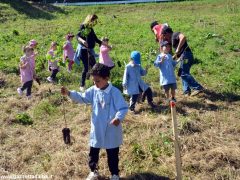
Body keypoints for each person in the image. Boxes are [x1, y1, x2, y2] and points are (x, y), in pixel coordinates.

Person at [61, 63, 128, 180]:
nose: (95, 83)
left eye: (97, 81)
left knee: (112, 154)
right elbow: (82, 97)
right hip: (97, 126)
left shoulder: (114, 92)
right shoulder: (93, 90)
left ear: (106, 78)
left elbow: (122, 108)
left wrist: (118, 118)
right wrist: (69, 93)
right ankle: (93, 171)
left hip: (111, 128)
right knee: (93, 151)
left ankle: (115, 174)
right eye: (94, 81)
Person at [161, 26, 204, 96]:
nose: (165, 38)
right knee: (182, 73)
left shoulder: (175, 34)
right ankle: (186, 91)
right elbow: (175, 53)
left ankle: (197, 87)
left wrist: (178, 48)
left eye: (165, 35)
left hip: (186, 55)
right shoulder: (171, 40)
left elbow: (183, 37)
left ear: (167, 33)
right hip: (183, 57)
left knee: (183, 73)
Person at [74, 14, 110, 91]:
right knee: (86, 68)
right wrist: (83, 41)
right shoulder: (83, 26)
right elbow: (77, 36)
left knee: (95, 67)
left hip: (90, 51)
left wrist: (107, 45)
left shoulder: (91, 29)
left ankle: (96, 82)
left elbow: (96, 39)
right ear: (90, 20)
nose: (95, 23)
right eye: (94, 21)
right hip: (83, 50)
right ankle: (82, 85)